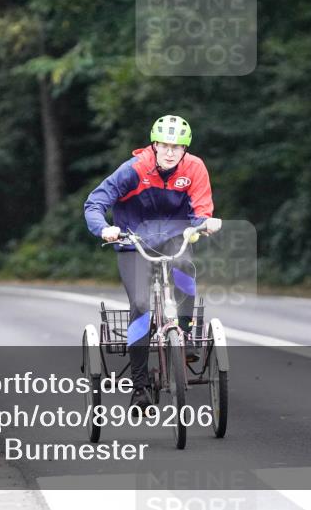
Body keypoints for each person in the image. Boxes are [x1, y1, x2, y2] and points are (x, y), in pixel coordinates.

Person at [84, 115, 222, 412]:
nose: (170, 152)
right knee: (142, 304)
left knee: (185, 266)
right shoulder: (134, 170)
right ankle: (140, 385)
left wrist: (205, 223)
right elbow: (95, 202)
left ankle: (184, 336)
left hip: (175, 235)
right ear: (154, 145)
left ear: (185, 149)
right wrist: (104, 228)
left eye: (177, 146)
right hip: (132, 240)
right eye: (164, 145)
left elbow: (201, 208)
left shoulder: (194, 168)